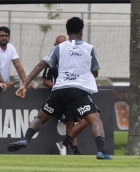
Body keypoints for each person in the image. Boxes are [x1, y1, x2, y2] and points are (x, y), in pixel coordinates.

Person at [7, 16, 112, 160]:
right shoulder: (89, 48)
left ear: (67, 31)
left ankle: (26, 139)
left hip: (60, 89)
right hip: (78, 91)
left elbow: (40, 65)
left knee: (40, 117)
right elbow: (95, 72)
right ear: (81, 31)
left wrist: (25, 85)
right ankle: (101, 150)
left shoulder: (59, 48)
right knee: (95, 120)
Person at [42, 35, 88, 155]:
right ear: (55, 45)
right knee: (70, 123)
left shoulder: (72, 59)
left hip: (74, 96)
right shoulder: (51, 61)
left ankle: (65, 144)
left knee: (85, 120)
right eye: (59, 44)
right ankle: (74, 150)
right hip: (60, 97)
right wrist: (58, 86)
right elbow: (45, 81)